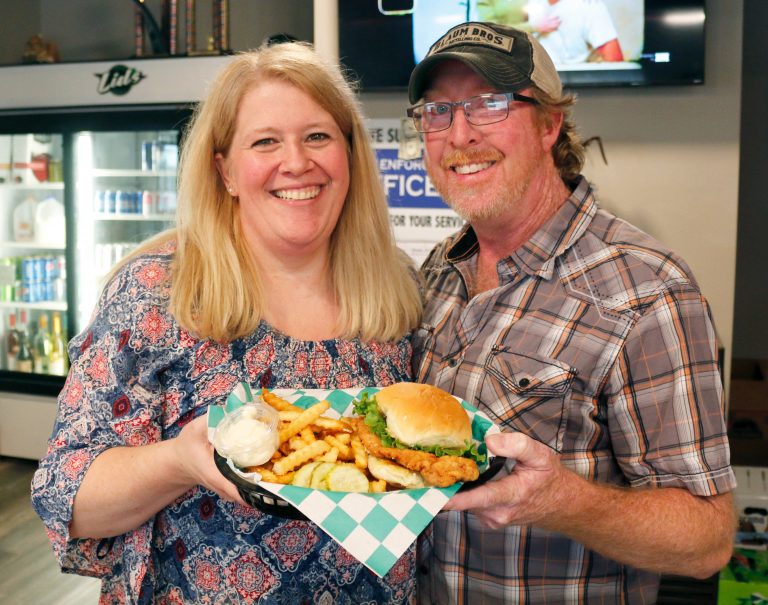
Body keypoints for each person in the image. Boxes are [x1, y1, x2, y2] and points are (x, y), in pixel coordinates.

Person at [31, 41, 422, 604]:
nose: (297, 161)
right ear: (225, 171)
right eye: (265, 141)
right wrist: (178, 461)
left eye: (318, 136)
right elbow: (68, 498)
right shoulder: (155, 293)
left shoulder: (398, 285)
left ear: (351, 155)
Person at [406, 21, 736, 604]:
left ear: (548, 124)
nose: (459, 134)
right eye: (437, 111)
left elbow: (706, 541)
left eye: (489, 104)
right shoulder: (439, 267)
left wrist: (563, 502)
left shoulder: (647, 290)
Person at [526, 0, 624, 64]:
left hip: (576, 87)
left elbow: (614, 61)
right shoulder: (529, 4)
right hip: (535, 87)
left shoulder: (589, 5)